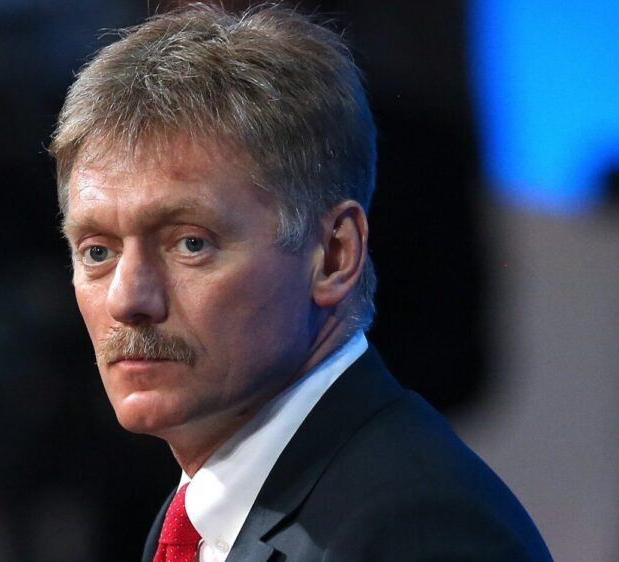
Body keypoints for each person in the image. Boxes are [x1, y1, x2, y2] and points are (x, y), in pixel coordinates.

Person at [49, 3, 552, 561]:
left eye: (190, 243)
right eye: (98, 252)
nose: (127, 298)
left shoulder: (414, 529)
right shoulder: (197, 515)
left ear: (334, 256)